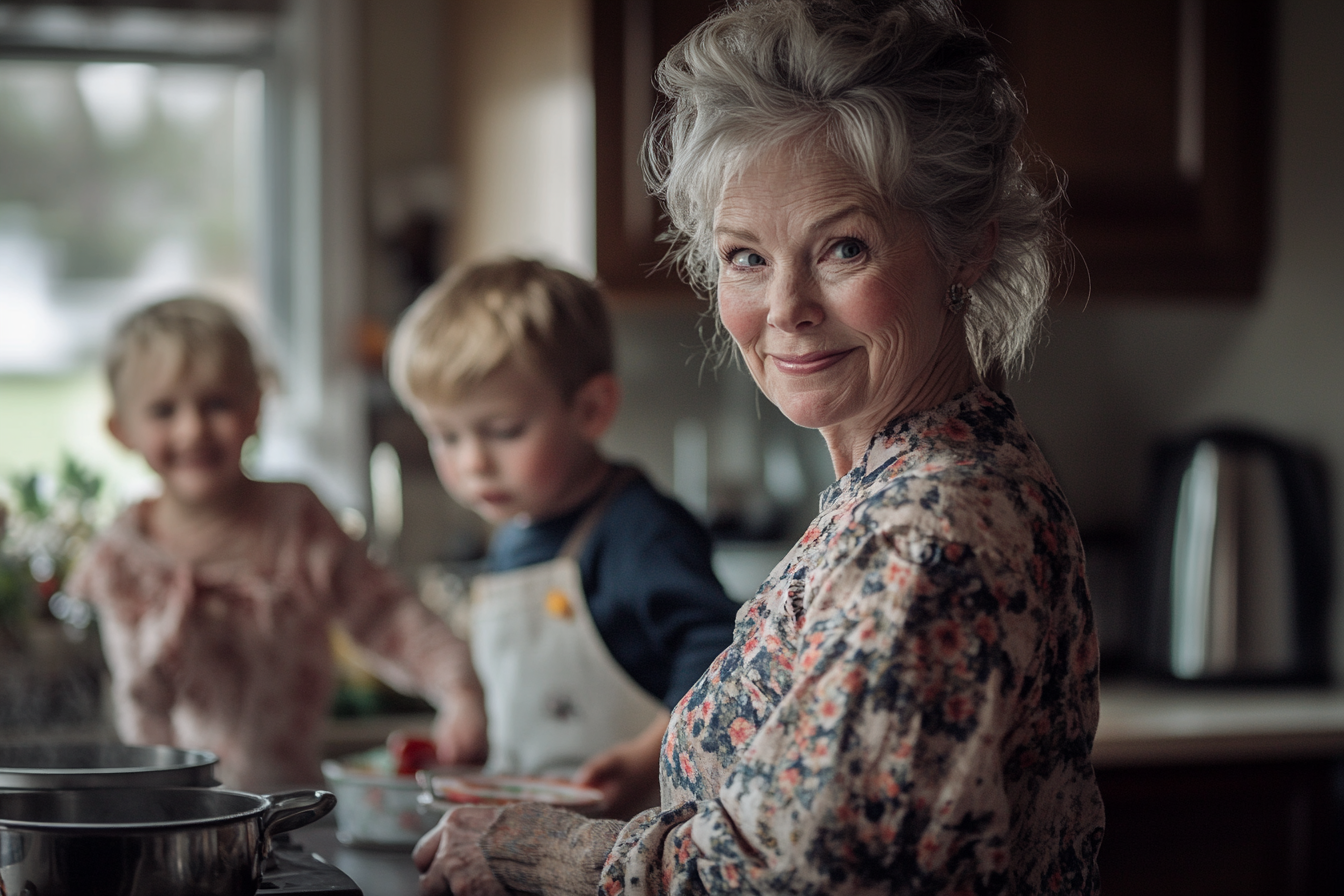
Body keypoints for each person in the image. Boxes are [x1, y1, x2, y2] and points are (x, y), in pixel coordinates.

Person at [413, 0, 1104, 893]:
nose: (786, 308)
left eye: (844, 247)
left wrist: (538, 853)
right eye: (746, 257)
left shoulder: (931, 526)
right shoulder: (900, 486)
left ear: (966, 248)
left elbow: (807, 876)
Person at [67, 297, 487, 793]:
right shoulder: (124, 559)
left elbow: (385, 615)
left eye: (217, 403)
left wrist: (458, 685)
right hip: (176, 816)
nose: (193, 429)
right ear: (123, 431)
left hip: (294, 807)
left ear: (256, 408)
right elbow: (140, 710)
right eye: (164, 410)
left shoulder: (298, 522)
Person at [386, 257, 741, 820]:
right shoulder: (513, 538)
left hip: (632, 839)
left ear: (591, 409)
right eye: (445, 436)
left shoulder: (638, 530)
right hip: (536, 834)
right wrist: (472, 719)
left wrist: (650, 757)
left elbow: (724, 656)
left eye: (503, 431)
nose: (472, 462)